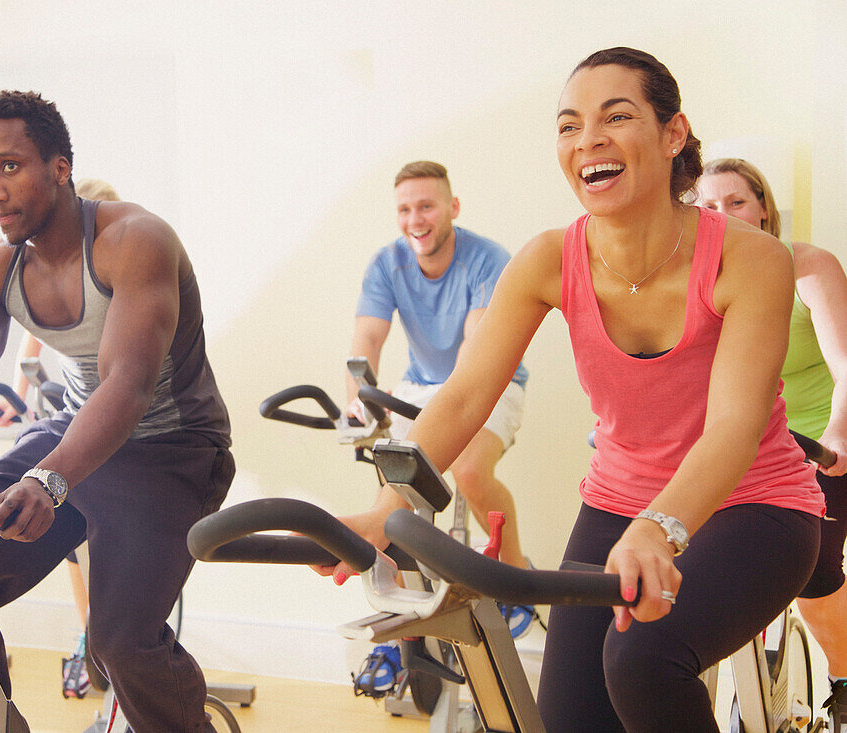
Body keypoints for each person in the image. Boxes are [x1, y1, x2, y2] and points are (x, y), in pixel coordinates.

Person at [322, 47, 824, 732]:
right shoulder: (549, 259)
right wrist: (388, 505)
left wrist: (659, 527)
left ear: (673, 134)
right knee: (571, 715)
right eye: (569, 125)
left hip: (756, 504)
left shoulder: (750, 258)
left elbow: (733, 428)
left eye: (616, 116)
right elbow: (466, 395)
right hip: (619, 499)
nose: (588, 140)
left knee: (643, 657)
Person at [0, 90, 233, 733]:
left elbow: (129, 383)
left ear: (60, 168)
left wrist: (51, 477)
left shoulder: (133, 240)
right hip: (76, 433)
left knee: (117, 646)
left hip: (174, 449)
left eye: (9, 167)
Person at [344, 160, 533, 694]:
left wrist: (443, 424)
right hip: (420, 385)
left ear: (452, 207)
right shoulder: (387, 263)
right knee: (392, 488)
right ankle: (403, 629)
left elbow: (477, 355)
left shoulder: (487, 260)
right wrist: (358, 399)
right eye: (405, 209)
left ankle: (515, 579)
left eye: (426, 206)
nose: (415, 220)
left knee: (470, 470)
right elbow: (367, 341)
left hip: (491, 379)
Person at [696, 157, 847, 729]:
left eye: (736, 202)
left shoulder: (806, 267)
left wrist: (837, 433)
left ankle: (844, 675)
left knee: (813, 568)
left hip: (822, 445)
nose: (724, 215)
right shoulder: (701, 281)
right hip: (749, 448)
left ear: (763, 207)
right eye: (708, 207)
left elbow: (846, 366)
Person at [0, 176, 122, 698]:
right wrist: (16, 396)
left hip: (127, 426)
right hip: (72, 416)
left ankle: (112, 645)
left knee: (111, 541)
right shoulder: (47, 276)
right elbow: (30, 335)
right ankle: (91, 639)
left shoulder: (127, 267)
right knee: (70, 538)